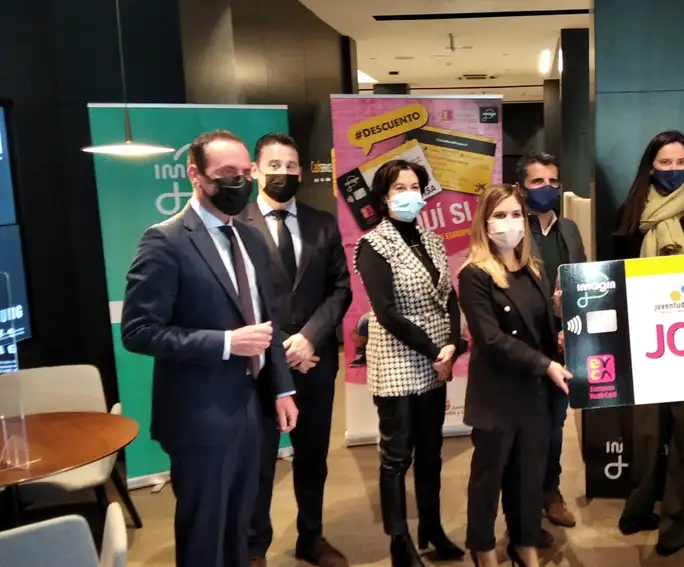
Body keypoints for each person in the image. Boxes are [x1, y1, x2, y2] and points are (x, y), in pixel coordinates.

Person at [120, 129, 298, 567]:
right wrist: (224, 344)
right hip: (200, 414)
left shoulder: (252, 238)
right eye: (226, 174)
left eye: (244, 172)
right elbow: (138, 331)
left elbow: (267, 320)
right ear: (195, 175)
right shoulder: (165, 241)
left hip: (253, 409)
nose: (238, 182)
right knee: (204, 529)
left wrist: (282, 388)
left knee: (243, 519)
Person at [241, 133, 352, 567]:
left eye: (291, 166)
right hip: (258, 367)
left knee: (313, 457)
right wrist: (278, 347)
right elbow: (236, 296)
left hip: (315, 361)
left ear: (301, 172)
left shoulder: (322, 222)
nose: (283, 173)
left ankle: (312, 536)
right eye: (274, 165)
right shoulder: (236, 224)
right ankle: (255, 547)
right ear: (254, 170)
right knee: (260, 461)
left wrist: (308, 337)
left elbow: (340, 289)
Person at [353, 159, 464, 567]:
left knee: (432, 452)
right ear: (383, 197)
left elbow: (448, 296)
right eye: (399, 187)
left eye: (415, 186)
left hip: (438, 361)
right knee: (397, 456)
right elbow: (386, 312)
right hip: (401, 361)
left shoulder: (432, 240)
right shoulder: (373, 244)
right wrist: (437, 352)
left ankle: (431, 528)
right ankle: (399, 542)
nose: (409, 194)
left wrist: (452, 344)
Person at [458, 184, 572, 567]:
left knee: (528, 476)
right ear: (485, 223)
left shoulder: (533, 267)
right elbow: (489, 339)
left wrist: (557, 322)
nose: (510, 223)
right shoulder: (474, 274)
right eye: (500, 215)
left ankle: (524, 543)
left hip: (534, 394)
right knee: (489, 479)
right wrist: (545, 364)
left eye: (516, 215)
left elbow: (539, 331)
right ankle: (483, 547)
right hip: (497, 395)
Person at [612, 130, 684, 557]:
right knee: (646, 434)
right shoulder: (630, 213)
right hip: (644, 341)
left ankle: (677, 521)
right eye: (664, 163)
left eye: (680, 162)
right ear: (651, 165)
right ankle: (638, 508)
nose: (672, 170)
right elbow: (610, 275)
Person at [516, 152, 586, 533]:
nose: (547, 189)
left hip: (562, 346)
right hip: (524, 349)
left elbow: (582, 281)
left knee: (556, 425)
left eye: (553, 182)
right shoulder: (512, 230)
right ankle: (523, 504)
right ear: (520, 188)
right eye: (537, 182)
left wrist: (570, 323)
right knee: (526, 427)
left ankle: (550, 491)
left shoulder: (570, 229)